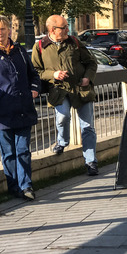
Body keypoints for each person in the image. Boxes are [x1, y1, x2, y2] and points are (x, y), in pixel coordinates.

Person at [32, 15, 99, 176]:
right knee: (62, 118)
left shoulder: (74, 42)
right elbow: (36, 71)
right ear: (52, 30)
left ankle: (91, 162)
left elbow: (91, 62)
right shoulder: (40, 46)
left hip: (80, 90)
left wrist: (87, 77)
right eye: (64, 27)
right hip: (59, 91)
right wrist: (53, 74)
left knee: (87, 126)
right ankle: (62, 142)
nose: (68, 29)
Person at [0, 15, 40, 199]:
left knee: (23, 150)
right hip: (1, 113)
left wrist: (34, 89)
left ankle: (26, 186)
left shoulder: (19, 51)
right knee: (9, 153)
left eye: (3, 29)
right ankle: (13, 187)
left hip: (23, 109)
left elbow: (33, 75)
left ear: (9, 31)